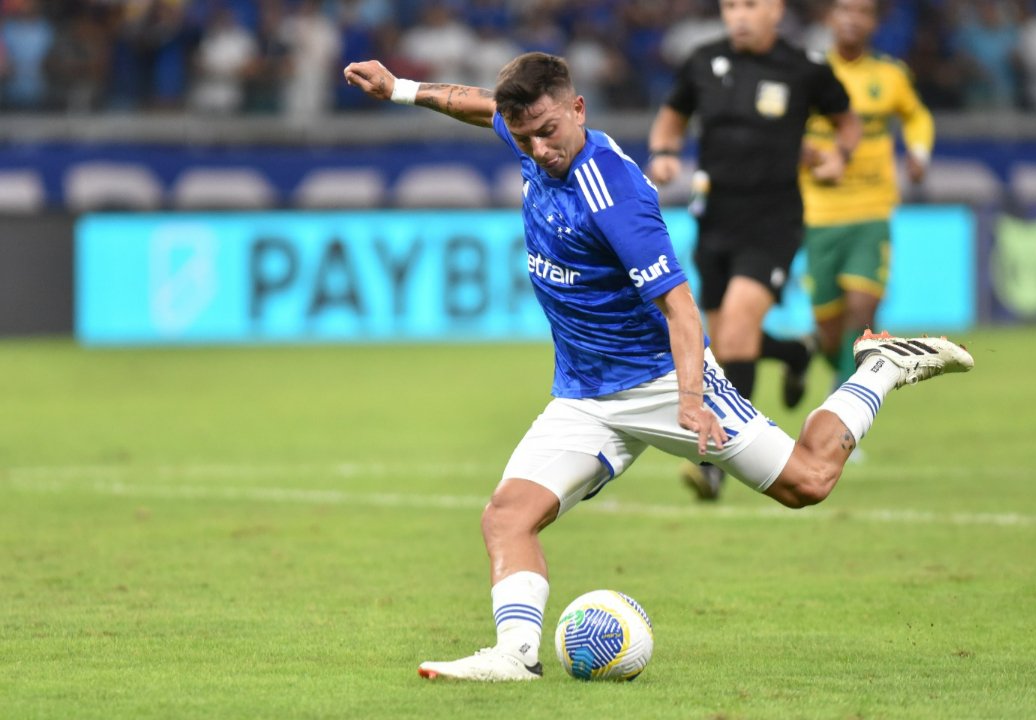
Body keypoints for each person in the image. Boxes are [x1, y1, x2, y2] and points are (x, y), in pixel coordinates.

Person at [343, 51, 973, 682]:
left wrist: (693, 399)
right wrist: (400, 88)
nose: (537, 149)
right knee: (506, 515)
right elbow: (481, 104)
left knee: (806, 483)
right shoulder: (532, 129)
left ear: (578, 109)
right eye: (525, 135)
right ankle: (515, 656)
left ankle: (879, 368)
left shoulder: (612, 194)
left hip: (662, 381)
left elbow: (680, 308)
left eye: (547, 132)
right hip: (584, 396)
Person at [647, 0, 863, 501]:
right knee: (721, 346)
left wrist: (838, 157)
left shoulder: (804, 67)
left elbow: (846, 122)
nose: (738, 15)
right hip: (716, 219)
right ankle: (792, 350)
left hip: (774, 222)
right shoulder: (703, 61)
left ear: (775, 10)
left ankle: (718, 462)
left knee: (739, 328)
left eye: (750, 5)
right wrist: (663, 152)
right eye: (730, 6)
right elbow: (672, 115)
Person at [800, 0, 936, 402]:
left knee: (862, 313)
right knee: (830, 332)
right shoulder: (810, 75)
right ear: (829, 17)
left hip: (871, 212)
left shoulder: (890, 75)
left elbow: (917, 116)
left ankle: (844, 406)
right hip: (820, 215)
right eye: (843, 9)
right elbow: (784, 129)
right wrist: (807, 153)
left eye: (862, 11)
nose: (852, 19)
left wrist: (918, 151)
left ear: (874, 22)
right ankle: (828, 361)